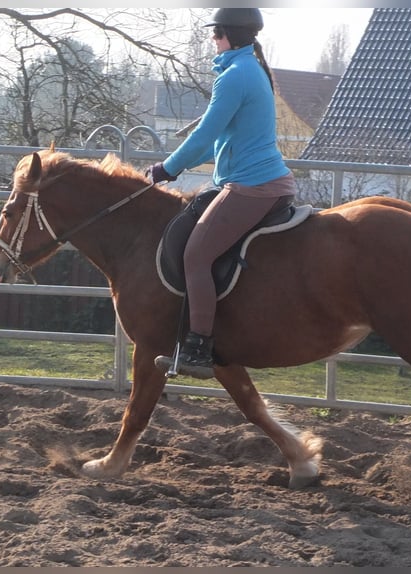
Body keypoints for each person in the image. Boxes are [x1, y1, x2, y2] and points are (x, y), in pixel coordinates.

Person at [150, 8, 298, 380]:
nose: (213, 40)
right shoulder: (246, 71)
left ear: (230, 34)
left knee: (196, 255)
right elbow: (213, 143)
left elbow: (202, 135)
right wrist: (175, 166)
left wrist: (166, 169)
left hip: (252, 185)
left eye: (216, 34)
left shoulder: (235, 76)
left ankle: (199, 347)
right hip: (252, 181)